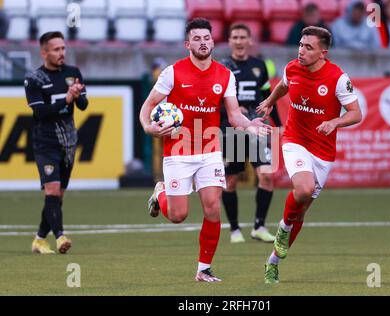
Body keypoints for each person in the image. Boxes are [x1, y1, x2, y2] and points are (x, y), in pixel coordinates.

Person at [140, 18, 271, 282]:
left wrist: (249, 124)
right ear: (188, 44)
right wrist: (148, 127)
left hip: (210, 151)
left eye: (207, 38)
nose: (203, 42)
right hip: (178, 151)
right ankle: (161, 191)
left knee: (212, 207)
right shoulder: (172, 73)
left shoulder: (225, 75)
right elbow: (148, 106)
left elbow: (234, 116)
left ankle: (203, 268)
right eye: (197, 39)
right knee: (178, 216)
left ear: (213, 42)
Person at [256, 26, 362, 284]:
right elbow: (283, 86)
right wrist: (270, 101)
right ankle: (282, 229)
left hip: (323, 151)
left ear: (323, 53)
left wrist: (335, 122)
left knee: (300, 212)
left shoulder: (337, 78)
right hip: (295, 140)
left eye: (308, 47)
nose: (301, 50)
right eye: (301, 45)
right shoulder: (292, 67)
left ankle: (273, 262)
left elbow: (356, 113)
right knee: (303, 189)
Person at [25, 31, 88, 254]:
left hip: (69, 142)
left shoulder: (73, 73)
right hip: (45, 142)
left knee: (57, 195)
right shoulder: (34, 80)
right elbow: (40, 114)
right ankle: (61, 237)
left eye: (63, 48)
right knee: (51, 191)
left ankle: (40, 239)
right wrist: (67, 98)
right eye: (56, 49)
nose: (62, 53)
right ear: (44, 52)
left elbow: (83, 105)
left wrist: (78, 94)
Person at [220, 23, 283, 244]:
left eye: (242, 37)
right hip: (233, 131)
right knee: (230, 181)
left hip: (257, 129)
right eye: (234, 37)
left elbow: (269, 97)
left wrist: (278, 124)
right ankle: (235, 229)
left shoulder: (260, 66)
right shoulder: (222, 68)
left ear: (249, 41)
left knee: (267, 175)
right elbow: (215, 101)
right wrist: (234, 112)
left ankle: (259, 226)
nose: (238, 41)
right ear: (229, 41)